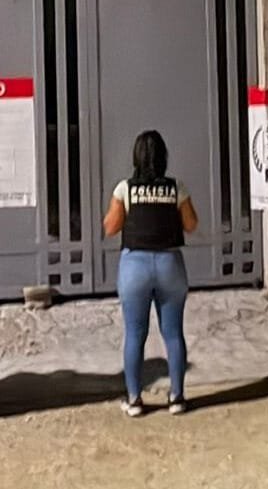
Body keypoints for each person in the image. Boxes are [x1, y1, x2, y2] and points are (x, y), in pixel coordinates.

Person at [102, 130, 200, 417]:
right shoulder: (176, 187)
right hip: (170, 264)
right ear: (163, 157)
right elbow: (191, 224)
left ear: (136, 157)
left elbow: (110, 228)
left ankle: (134, 400)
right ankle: (177, 397)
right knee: (173, 333)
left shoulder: (125, 189)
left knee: (135, 334)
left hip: (135, 267)